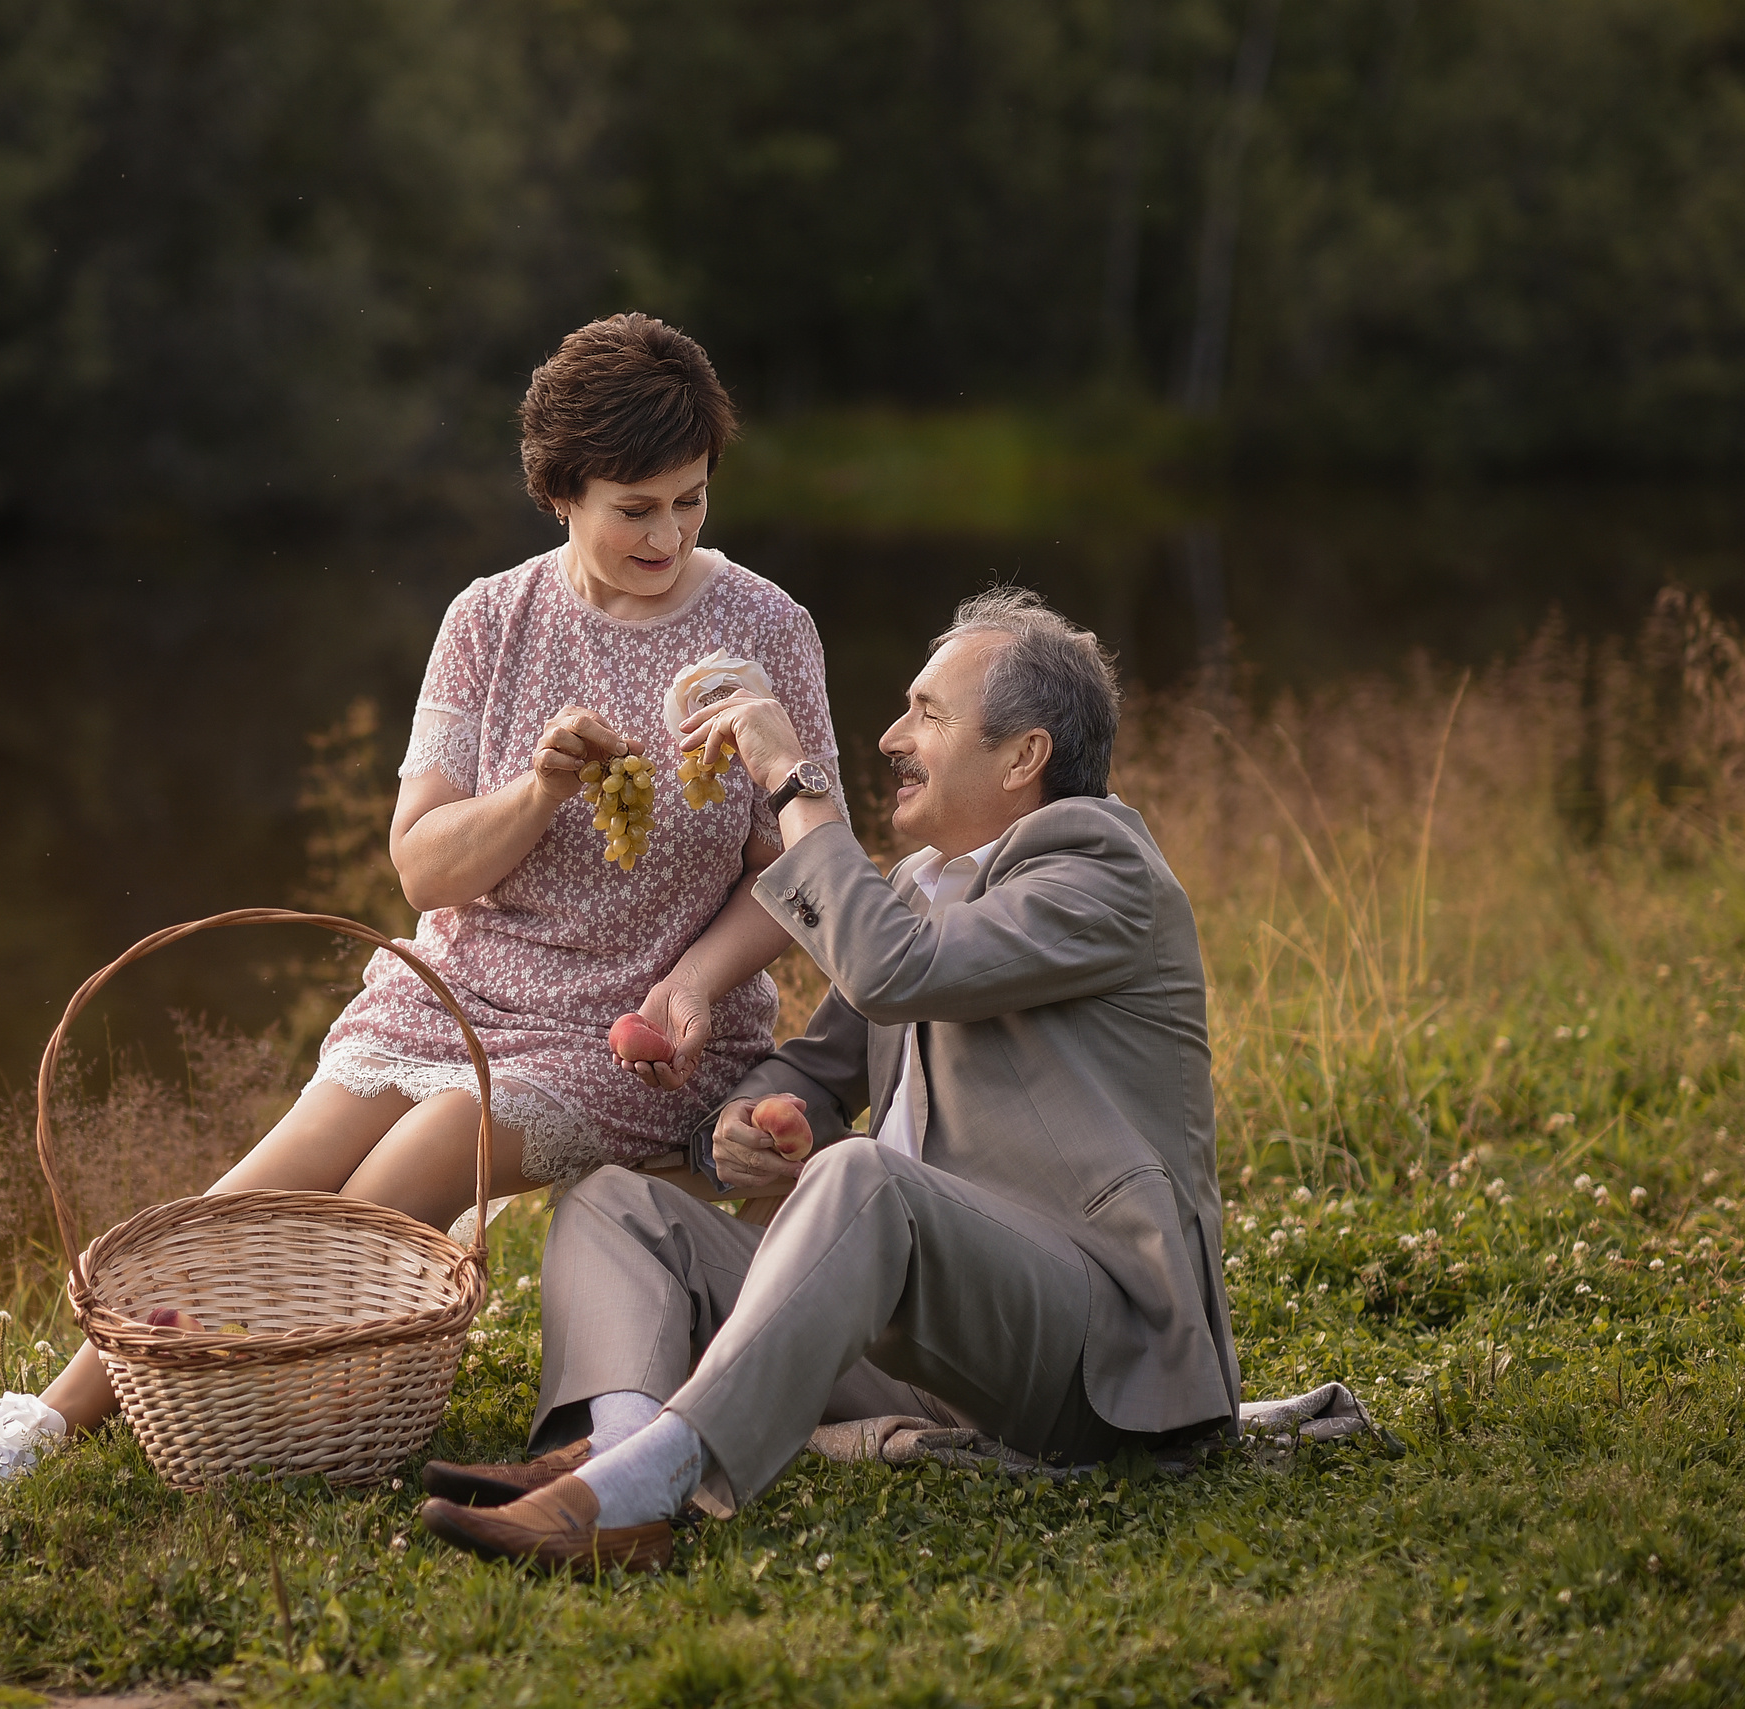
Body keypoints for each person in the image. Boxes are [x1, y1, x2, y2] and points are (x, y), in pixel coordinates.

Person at [0, 313, 847, 1492]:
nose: (666, 534)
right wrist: (541, 787)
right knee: (256, 1187)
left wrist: (693, 981)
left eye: (691, 500)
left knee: (396, 1179)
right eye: (636, 507)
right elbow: (423, 870)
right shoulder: (487, 620)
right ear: (560, 489)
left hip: (636, 1035)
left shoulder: (765, 629)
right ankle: (48, 1421)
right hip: (450, 994)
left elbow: (800, 868)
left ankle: (287, 1431)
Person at [416, 588, 1240, 1572]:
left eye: (927, 714)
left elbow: (895, 971)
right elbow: (820, 1063)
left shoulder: (1100, 874)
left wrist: (788, 772)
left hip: (1089, 1354)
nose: (892, 735)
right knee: (613, 1202)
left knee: (860, 1177)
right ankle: (620, 1461)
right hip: (923, 1347)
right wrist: (748, 1120)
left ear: (1023, 757)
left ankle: (652, 1486)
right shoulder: (921, 887)